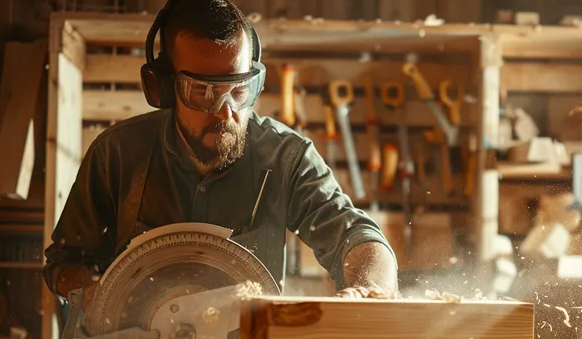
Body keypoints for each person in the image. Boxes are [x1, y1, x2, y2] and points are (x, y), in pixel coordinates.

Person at [42, 0, 398, 309]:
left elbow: (356, 235)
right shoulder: (116, 154)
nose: (226, 112)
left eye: (238, 89)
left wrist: (371, 289)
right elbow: (64, 263)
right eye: (203, 92)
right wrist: (96, 293)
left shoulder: (286, 158)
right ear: (164, 88)